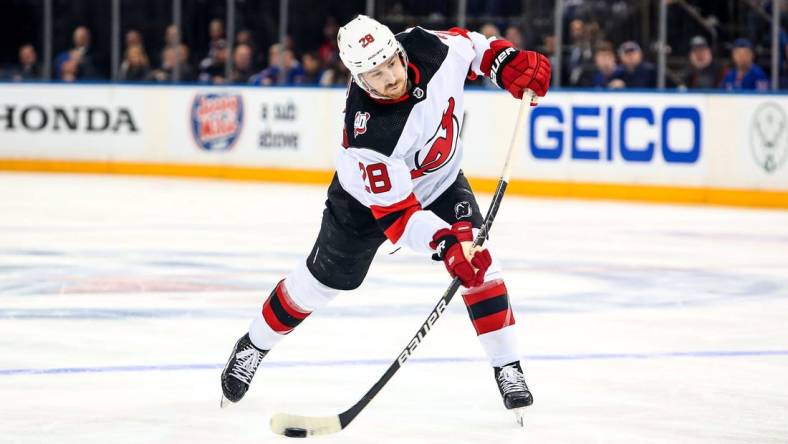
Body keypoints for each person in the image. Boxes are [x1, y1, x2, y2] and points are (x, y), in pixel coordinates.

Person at [220, 15, 551, 421]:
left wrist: (507, 64)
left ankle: (508, 366)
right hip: (363, 203)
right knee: (318, 284)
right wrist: (445, 243)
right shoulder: (368, 136)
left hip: (441, 181)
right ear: (358, 78)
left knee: (481, 264)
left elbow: (476, 48)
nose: (389, 77)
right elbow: (400, 219)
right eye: (375, 74)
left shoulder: (428, 46)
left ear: (398, 50)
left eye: (391, 63)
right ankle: (254, 344)